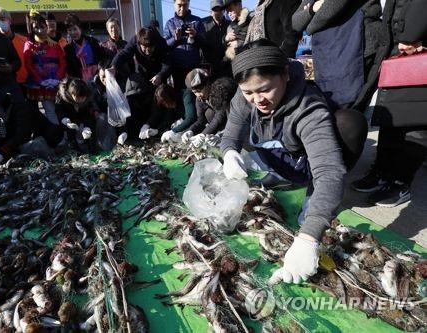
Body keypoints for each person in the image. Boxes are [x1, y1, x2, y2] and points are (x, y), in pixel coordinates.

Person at [220, 40, 367, 284]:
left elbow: (329, 171)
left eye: (265, 89)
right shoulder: (244, 95)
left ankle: (311, 195)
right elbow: (230, 134)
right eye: (249, 93)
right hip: (276, 155)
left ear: (286, 74)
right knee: (240, 145)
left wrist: (309, 238)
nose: (258, 100)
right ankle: (279, 174)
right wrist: (228, 153)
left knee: (350, 123)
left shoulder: (308, 107)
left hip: (307, 163)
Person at [351, 0, 427, 207]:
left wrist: (415, 36)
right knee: (390, 116)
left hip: (418, 52)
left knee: (416, 121)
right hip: (395, 49)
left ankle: (401, 182)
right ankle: (383, 171)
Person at [292, 0, 382, 109]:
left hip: (358, 45)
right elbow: (295, 22)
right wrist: (312, 9)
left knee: (356, 109)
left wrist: (309, 26)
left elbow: (331, 8)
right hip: (329, 53)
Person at [0, 78, 62, 167]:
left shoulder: (20, 108)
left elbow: (22, 134)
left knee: (34, 147)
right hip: (20, 144)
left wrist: (1, 152)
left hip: (43, 138)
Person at [23, 11, 66, 125]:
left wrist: (57, 79)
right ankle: (58, 135)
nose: (40, 30)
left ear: (47, 27)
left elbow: (62, 63)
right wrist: (40, 81)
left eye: (42, 27)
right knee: (49, 109)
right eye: (36, 28)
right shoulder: (29, 45)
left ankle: (66, 131)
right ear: (32, 29)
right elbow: (28, 64)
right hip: (40, 83)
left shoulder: (55, 44)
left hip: (56, 82)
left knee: (60, 108)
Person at [181, 68, 236, 145]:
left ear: (208, 83)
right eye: (195, 92)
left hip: (234, 119)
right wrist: (191, 131)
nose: (198, 95)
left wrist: (203, 134)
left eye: (200, 90)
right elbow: (201, 120)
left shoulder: (220, 91)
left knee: (211, 114)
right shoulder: (199, 99)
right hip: (221, 123)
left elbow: (220, 116)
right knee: (208, 113)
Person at [163, 0, 206, 90]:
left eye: (185, 5)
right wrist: (175, 39)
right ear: (174, 4)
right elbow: (165, 46)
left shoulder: (197, 21)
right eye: (179, 5)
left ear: (189, 4)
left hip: (194, 66)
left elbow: (205, 43)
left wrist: (195, 35)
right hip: (177, 68)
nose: (182, 8)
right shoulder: (169, 23)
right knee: (180, 95)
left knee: (196, 93)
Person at [55, 77, 98, 153]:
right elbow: (59, 110)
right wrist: (65, 120)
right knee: (70, 130)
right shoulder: (62, 97)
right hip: (69, 117)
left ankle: (92, 148)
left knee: (90, 129)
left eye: (83, 98)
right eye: (78, 98)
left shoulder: (87, 95)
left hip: (82, 116)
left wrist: (87, 127)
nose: (81, 100)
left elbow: (89, 113)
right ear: (72, 94)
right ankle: (74, 149)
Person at [63, 14, 105, 82]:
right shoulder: (68, 49)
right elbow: (70, 69)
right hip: (80, 79)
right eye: (69, 30)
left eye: (75, 29)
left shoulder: (92, 42)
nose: (72, 32)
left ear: (80, 28)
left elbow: (102, 58)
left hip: (96, 75)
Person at [0, 7, 28, 87]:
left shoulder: (24, 41)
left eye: (2, 19)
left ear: (10, 20)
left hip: (26, 83)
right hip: (6, 84)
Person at [201, 0, 231, 78]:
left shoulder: (230, 25)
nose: (218, 12)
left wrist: (225, 60)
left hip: (226, 65)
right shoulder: (203, 25)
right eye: (215, 9)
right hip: (209, 66)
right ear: (211, 12)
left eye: (220, 9)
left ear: (224, 10)